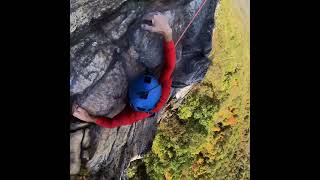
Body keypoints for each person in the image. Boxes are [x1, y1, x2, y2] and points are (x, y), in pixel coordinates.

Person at [72, 13, 176, 128]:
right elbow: (169, 66)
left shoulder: (137, 114)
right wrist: (167, 32)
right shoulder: (163, 93)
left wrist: (89, 118)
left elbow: (113, 123)